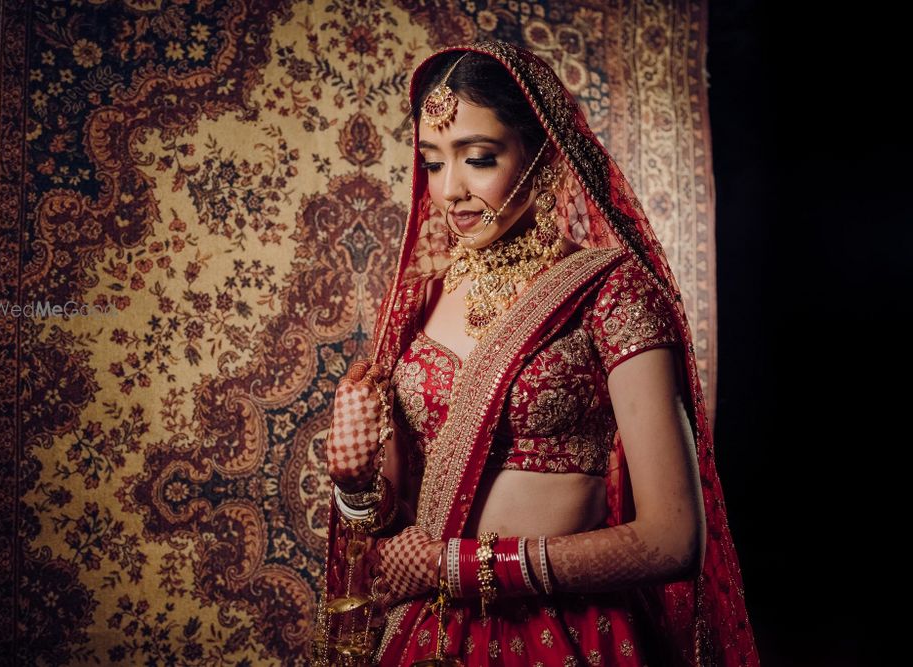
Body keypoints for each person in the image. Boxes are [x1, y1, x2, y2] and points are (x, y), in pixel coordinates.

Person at [312, 40, 759, 666]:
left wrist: (458, 566)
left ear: (543, 149)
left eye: (479, 158)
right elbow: (393, 522)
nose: (451, 191)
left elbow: (674, 537)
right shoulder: (425, 295)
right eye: (433, 163)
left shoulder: (611, 291)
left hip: (565, 633)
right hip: (430, 634)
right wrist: (355, 483)